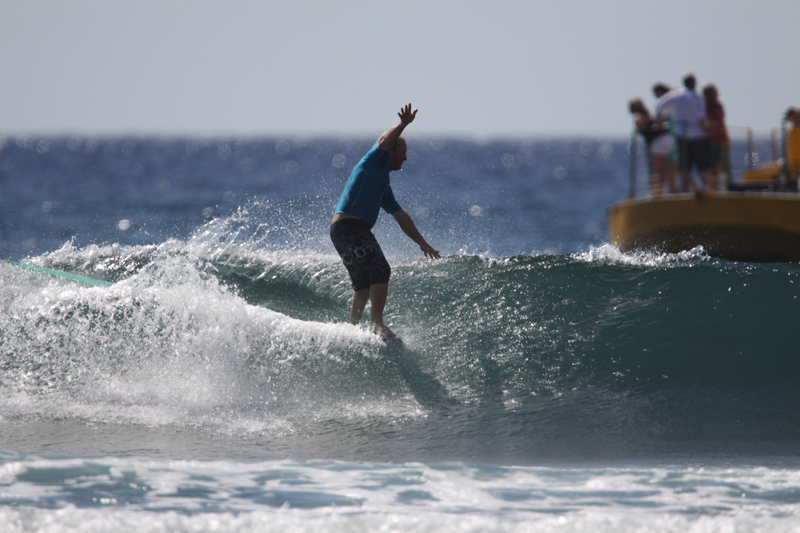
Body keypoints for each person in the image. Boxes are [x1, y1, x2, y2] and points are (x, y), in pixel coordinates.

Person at [330, 103, 440, 339]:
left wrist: (422, 243)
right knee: (381, 269)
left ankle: (352, 330)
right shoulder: (372, 161)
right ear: (391, 152)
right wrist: (403, 124)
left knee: (362, 286)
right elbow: (385, 142)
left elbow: (401, 216)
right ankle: (376, 325)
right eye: (403, 152)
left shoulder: (383, 185)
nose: (406, 157)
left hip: (340, 230)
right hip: (351, 226)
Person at [655, 73, 716, 191]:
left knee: (684, 167)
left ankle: (684, 192)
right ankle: (708, 190)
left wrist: (660, 126)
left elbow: (659, 107)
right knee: (703, 167)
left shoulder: (674, 95)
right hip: (698, 136)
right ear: (694, 83)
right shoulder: (695, 97)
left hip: (681, 136)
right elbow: (701, 119)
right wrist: (708, 132)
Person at [628, 98, 677, 195]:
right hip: (668, 139)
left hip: (658, 142)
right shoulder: (648, 113)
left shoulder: (638, 115)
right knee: (666, 167)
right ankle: (671, 190)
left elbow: (639, 125)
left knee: (657, 170)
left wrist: (637, 129)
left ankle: (657, 193)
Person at [702, 82, 731, 188]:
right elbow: (717, 121)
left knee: (713, 166)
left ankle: (714, 187)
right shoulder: (715, 106)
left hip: (710, 139)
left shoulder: (704, 106)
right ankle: (718, 188)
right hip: (718, 139)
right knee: (718, 166)